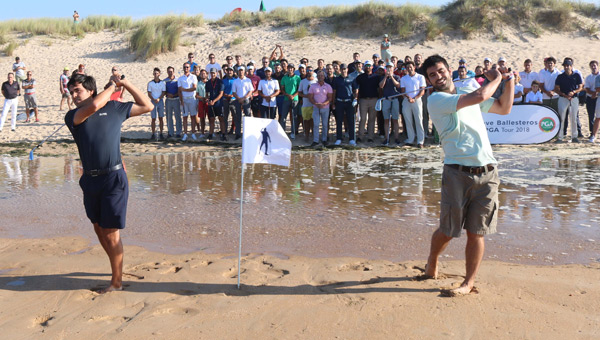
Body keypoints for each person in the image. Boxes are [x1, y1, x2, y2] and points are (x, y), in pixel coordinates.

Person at [419, 54, 514, 297]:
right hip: (456, 173)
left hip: (488, 172)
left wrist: (510, 79)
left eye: (440, 71)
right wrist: (499, 77)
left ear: (449, 70)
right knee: (449, 230)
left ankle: (468, 282)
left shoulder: (467, 91)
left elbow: (504, 108)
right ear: (429, 80)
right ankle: (432, 261)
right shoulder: (437, 100)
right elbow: (482, 95)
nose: (438, 76)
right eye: (432, 74)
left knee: (477, 232)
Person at [64, 72, 153, 294]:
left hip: (114, 178)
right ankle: (116, 267)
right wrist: (113, 86)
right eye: (72, 91)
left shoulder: (115, 109)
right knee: (98, 228)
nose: (74, 95)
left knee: (111, 233)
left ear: (91, 90)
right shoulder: (74, 115)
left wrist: (125, 83)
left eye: (78, 90)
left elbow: (147, 106)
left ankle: (116, 282)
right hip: (90, 179)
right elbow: (93, 107)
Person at [554, 57, 583, 143]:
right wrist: (564, 94)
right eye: (565, 66)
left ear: (571, 66)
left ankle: (574, 136)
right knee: (561, 117)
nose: (566, 67)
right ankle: (560, 137)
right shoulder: (560, 76)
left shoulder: (576, 75)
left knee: (573, 118)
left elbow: (580, 87)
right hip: (563, 98)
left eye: (568, 65)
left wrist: (574, 92)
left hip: (574, 98)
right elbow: (556, 88)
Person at [401, 61, 427, 148]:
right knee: (408, 121)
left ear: (414, 67)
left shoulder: (420, 77)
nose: (409, 68)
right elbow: (403, 91)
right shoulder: (403, 78)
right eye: (407, 67)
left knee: (419, 120)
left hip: (417, 100)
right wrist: (408, 98)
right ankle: (410, 139)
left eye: (411, 67)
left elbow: (422, 90)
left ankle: (420, 141)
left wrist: (415, 98)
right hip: (406, 101)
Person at [332, 63, 357, 146]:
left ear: (347, 70)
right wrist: (333, 102)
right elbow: (334, 91)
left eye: (345, 69)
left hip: (349, 102)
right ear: (340, 70)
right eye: (342, 69)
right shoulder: (336, 79)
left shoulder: (352, 78)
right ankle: (339, 138)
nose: (344, 70)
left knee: (351, 120)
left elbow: (355, 90)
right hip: (339, 102)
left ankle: (352, 139)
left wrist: (355, 99)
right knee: (339, 121)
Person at [355, 60, 380, 143]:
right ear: (364, 67)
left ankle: (370, 137)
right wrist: (356, 99)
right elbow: (356, 89)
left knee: (372, 119)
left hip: (374, 100)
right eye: (366, 66)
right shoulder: (360, 77)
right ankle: (360, 136)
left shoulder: (376, 77)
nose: (368, 67)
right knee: (363, 119)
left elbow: (379, 89)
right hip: (363, 100)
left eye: (369, 66)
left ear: (372, 67)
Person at [379, 63, 402, 146]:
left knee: (395, 119)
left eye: (390, 67)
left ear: (393, 68)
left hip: (395, 99)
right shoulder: (383, 77)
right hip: (386, 99)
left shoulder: (397, 77)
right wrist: (386, 77)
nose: (389, 69)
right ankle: (386, 138)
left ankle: (396, 138)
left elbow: (398, 85)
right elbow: (381, 86)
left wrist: (391, 76)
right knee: (386, 119)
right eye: (387, 68)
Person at [308, 70, 333, 147]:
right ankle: (316, 140)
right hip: (316, 107)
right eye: (318, 76)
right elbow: (310, 97)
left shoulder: (328, 86)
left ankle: (324, 139)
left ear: (324, 77)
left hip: (325, 108)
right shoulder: (313, 86)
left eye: (321, 75)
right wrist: (316, 103)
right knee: (316, 124)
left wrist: (324, 103)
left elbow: (330, 97)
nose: (320, 77)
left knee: (325, 124)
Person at [231, 65, 253, 139]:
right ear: (238, 72)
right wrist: (239, 99)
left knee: (248, 116)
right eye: (239, 70)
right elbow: (234, 92)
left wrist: (244, 98)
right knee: (238, 117)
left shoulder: (248, 80)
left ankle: (248, 133)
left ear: (244, 72)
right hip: (238, 100)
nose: (241, 72)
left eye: (242, 70)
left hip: (246, 100)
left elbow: (250, 91)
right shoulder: (235, 81)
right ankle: (238, 133)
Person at [178, 62, 198, 141]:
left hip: (192, 98)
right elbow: (179, 90)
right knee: (185, 117)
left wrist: (185, 90)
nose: (186, 68)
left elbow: (194, 88)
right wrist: (181, 100)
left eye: (187, 67)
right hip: (184, 99)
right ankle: (185, 134)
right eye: (184, 67)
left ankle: (193, 133)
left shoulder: (193, 77)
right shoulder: (180, 78)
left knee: (193, 116)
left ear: (190, 68)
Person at [280, 64, 301, 139]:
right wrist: (287, 95)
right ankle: (283, 132)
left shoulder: (297, 78)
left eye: (292, 68)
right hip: (286, 99)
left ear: (294, 69)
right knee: (283, 117)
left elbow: (299, 89)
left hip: (295, 99)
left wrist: (293, 96)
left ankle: (293, 132)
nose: (290, 70)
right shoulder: (284, 78)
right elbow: (282, 88)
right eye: (289, 68)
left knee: (294, 116)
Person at [205, 68, 225, 140]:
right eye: (211, 73)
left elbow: (221, 94)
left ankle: (223, 134)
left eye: (214, 73)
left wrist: (214, 101)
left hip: (219, 103)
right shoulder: (208, 82)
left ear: (216, 73)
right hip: (211, 103)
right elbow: (207, 93)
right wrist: (207, 99)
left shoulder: (220, 82)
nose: (213, 74)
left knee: (221, 118)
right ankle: (210, 134)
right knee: (211, 119)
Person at [147, 67, 166, 140]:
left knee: (161, 117)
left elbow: (164, 92)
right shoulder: (150, 83)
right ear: (153, 74)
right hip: (153, 101)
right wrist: (153, 99)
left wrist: (159, 98)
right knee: (153, 118)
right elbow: (149, 93)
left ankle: (161, 133)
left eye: (157, 73)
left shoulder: (162, 83)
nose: (156, 75)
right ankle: (153, 133)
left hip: (160, 101)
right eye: (155, 73)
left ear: (159, 74)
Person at [299, 69, 317, 142]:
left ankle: (313, 136)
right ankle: (306, 135)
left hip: (314, 104)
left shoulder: (316, 81)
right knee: (306, 121)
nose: (309, 72)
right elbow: (299, 92)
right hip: (305, 105)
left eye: (311, 70)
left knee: (313, 121)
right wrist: (306, 96)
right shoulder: (302, 81)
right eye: (308, 71)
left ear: (313, 72)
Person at [164, 66, 182, 138]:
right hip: (168, 100)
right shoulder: (164, 81)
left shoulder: (178, 80)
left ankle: (178, 132)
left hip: (176, 99)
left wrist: (174, 95)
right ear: (167, 72)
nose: (170, 73)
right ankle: (170, 132)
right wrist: (168, 94)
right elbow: (163, 91)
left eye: (171, 71)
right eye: (169, 71)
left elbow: (180, 90)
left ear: (173, 72)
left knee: (178, 116)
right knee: (169, 117)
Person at [584, 60, 599, 137]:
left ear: (597, 66)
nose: (593, 67)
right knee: (591, 116)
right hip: (590, 98)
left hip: (599, 98)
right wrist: (592, 93)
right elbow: (586, 88)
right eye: (592, 66)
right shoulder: (588, 78)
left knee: (598, 116)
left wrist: (596, 93)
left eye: (595, 65)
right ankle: (592, 133)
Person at [195, 69, 208, 137]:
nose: (203, 75)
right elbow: (196, 95)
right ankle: (202, 133)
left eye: (204, 73)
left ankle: (212, 132)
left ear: (206, 74)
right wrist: (202, 98)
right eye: (202, 74)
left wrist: (207, 98)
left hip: (208, 102)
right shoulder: (198, 83)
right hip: (201, 102)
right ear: (200, 75)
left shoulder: (209, 83)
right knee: (202, 118)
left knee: (211, 118)